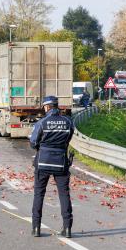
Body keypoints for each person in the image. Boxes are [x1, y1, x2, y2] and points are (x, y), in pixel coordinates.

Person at [29, 96, 74, 238]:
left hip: (43, 162)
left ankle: (36, 228)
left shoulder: (42, 123)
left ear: (47, 107)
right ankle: (67, 229)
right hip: (61, 163)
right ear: (56, 106)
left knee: (39, 194)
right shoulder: (68, 122)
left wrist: (42, 147)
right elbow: (68, 139)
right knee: (64, 194)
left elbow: (33, 142)